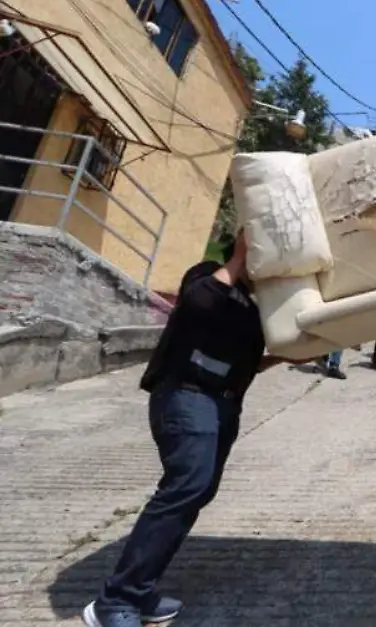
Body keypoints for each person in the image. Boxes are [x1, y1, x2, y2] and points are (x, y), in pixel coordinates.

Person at [82, 233, 300, 627]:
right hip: (185, 397)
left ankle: (141, 591)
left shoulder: (256, 305)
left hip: (223, 405)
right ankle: (113, 603)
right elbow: (198, 306)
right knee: (186, 487)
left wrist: (281, 357)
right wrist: (238, 260)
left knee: (196, 492)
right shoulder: (205, 277)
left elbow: (243, 360)